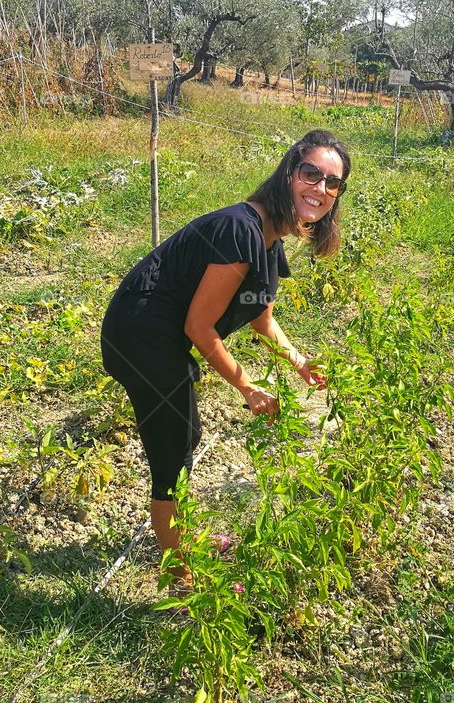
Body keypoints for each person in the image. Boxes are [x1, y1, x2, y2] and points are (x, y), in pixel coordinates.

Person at [100, 129, 351, 591]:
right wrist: (247, 386)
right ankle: (181, 581)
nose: (320, 189)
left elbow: (261, 319)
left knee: (187, 433)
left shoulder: (269, 239)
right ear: (289, 173)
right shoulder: (241, 230)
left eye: (332, 183)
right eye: (311, 173)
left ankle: (184, 537)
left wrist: (300, 363)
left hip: (159, 335)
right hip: (140, 334)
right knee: (172, 452)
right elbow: (200, 327)